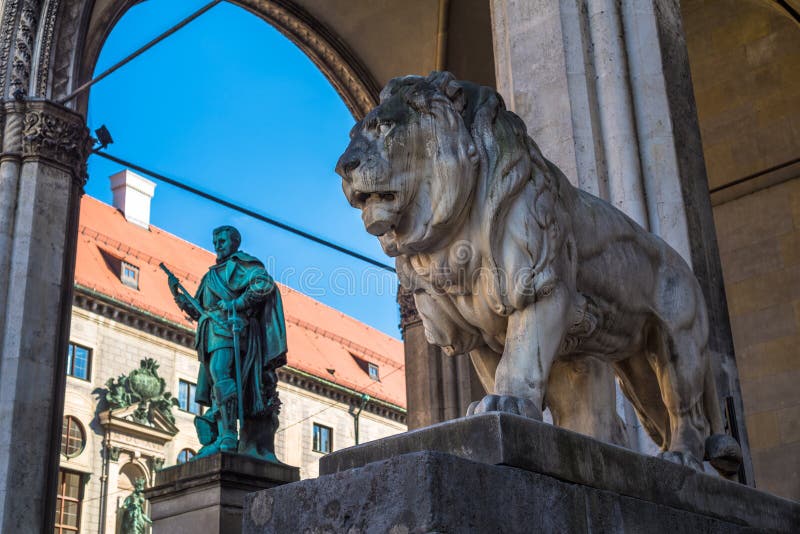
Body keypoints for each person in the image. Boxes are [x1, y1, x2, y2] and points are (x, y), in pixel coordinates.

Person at [168, 225, 287, 461]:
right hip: (210, 334)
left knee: (222, 375)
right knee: (216, 385)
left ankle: (229, 436)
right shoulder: (210, 275)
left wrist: (237, 304)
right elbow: (199, 310)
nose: (217, 245)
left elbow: (264, 284)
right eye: (215, 241)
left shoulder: (243, 264)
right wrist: (178, 297)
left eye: (222, 241)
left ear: (234, 243)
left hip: (232, 331)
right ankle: (222, 434)